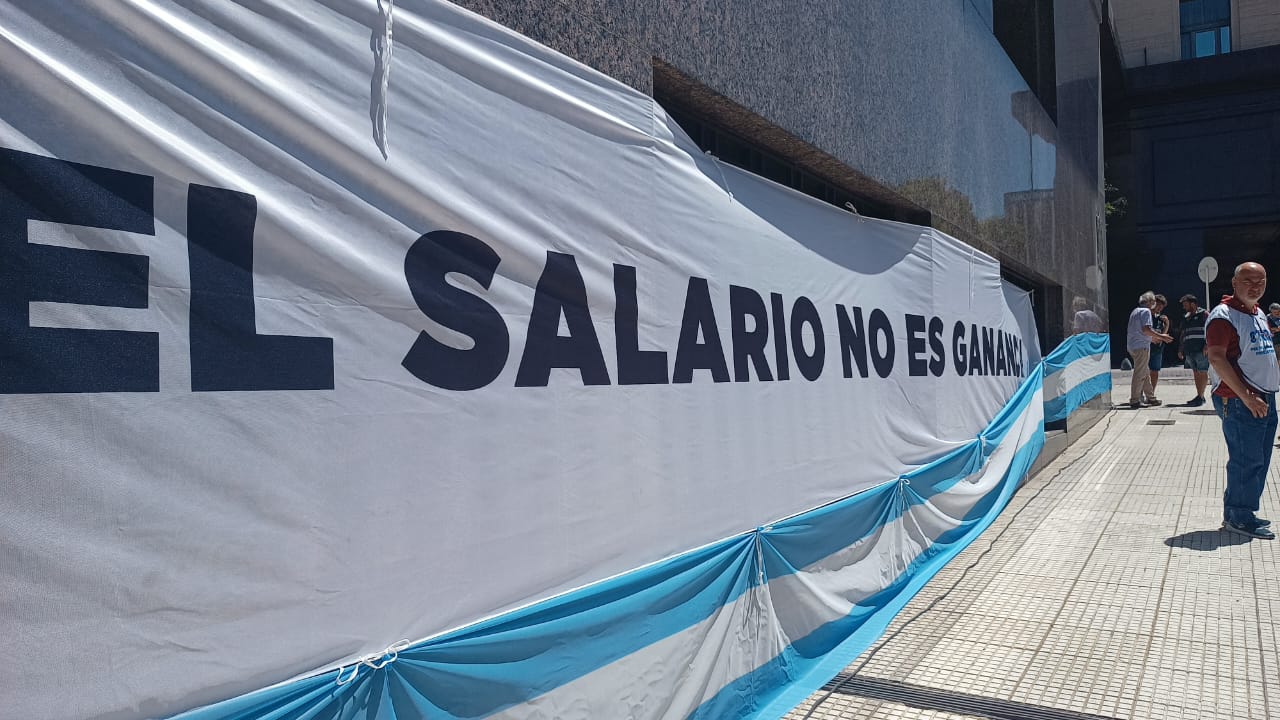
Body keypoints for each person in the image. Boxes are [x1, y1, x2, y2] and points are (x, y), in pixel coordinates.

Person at [1205, 262, 1279, 539]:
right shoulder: (1224, 316)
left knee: (1259, 459)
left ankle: (1242, 511)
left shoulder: (1257, 312)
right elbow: (1216, 358)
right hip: (1240, 400)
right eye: (1248, 280)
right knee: (1246, 460)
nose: (1255, 286)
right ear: (1235, 283)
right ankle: (1239, 517)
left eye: (1261, 281)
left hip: (1264, 397)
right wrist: (1246, 397)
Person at [1126, 291, 1173, 408]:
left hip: (1133, 345)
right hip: (1141, 347)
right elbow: (1146, 329)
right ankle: (1135, 400)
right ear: (1150, 302)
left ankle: (1151, 398)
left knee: (1145, 372)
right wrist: (1162, 337)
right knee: (1139, 373)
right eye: (1154, 302)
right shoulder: (1146, 311)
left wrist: (1152, 339)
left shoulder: (1135, 311)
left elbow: (1139, 331)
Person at [1177, 294, 1209, 406]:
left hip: (1201, 349)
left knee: (1202, 371)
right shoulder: (1186, 317)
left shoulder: (1204, 314)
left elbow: (1211, 329)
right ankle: (1199, 396)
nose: (1184, 307)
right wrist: (1181, 348)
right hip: (1189, 350)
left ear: (1193, 304)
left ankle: (1201, 396)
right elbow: (1183, 333)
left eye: (1185, 305)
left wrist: (1207, 345)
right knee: (1195, 372)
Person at [1148, 294, 1170, 396]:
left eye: (1162, 307)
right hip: (1146, 348)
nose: (1160, 308)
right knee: (1144, 372)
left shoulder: (1160, 319)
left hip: (1158, 349)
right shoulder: (1146, 316)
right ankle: (1141, 393)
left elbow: (1163, 335)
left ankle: (1151, 393)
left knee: (1155, 371)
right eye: (1158, 305)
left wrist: (1167, 324)